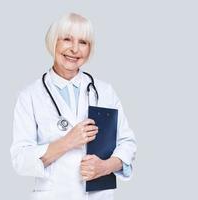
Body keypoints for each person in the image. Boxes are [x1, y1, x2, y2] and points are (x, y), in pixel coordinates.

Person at [10, 12, 137, 200]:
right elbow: (20, 160)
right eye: (67, 39)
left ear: (90, 48)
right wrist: (68, 141)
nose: (75, 49)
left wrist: (106, 166)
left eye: (83, 42)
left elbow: (127, 144)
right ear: (54, 42)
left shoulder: (105, 91)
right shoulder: (29, 96)